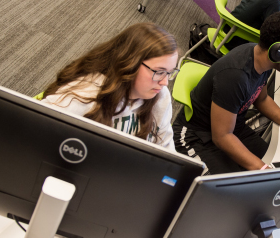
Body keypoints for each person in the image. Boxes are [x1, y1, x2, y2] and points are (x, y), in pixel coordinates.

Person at [173, 11, 280, 175]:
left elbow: (262, 99)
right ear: (279, 51)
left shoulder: (260, 60)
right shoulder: (235, 76)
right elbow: (221, 137)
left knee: (276, 162)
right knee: (230, 192)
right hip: (196, 136)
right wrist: (262, 169)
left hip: (231, 127)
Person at [41, 23, 179, 151]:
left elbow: (165, 148)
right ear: (130, 64)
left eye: (170, 72)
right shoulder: (84, 96)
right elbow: (33, 128)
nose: (165, 82)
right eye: (159, 72)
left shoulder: (160, 95)